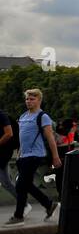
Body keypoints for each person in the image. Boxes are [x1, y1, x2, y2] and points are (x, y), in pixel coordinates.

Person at [5, 88, 61, 225]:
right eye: (27, 99)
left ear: (39, 100)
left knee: (20, 185)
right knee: (26, 184)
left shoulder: (43, 116)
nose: (28, 101)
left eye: (32, 99)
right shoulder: (23, 116)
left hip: (35, 155)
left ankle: (18, 216)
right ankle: (49, 204)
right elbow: (21, 138)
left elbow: (50, 138)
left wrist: (55, 157)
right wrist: (18, 154)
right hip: (23, 156)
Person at [0, 105, 15, 201]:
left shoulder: (1, 115)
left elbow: (9, 133)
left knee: (6, 182)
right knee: (6, 182)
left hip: (2, 153)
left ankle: (23, 203)